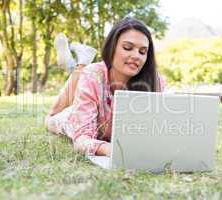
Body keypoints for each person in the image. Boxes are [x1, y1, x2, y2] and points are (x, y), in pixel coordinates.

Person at [45, 17, 166, 157]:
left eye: (142, 52)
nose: (136, 56)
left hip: (96, 105)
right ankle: (80, 64)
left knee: (88, 74)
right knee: (50, 117)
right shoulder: (93, 75)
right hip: (78, 116)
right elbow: (82, 139)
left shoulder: (155, 81)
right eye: (128, 48)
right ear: (112, 47)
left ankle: (80, 62)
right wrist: (112, 150)